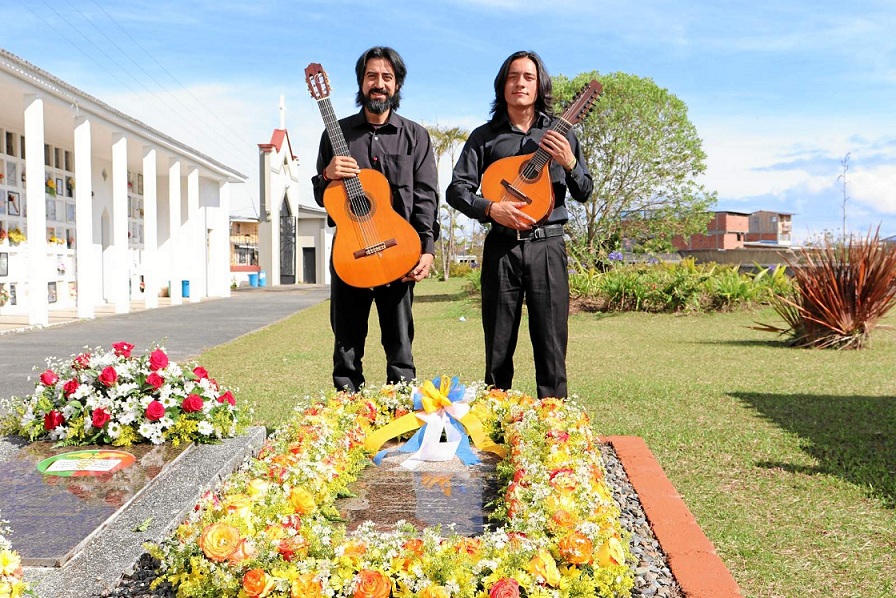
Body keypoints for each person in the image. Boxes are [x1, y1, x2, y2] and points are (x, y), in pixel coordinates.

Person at [446, 50, 593, 399]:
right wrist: (491, 208)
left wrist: (570, 162)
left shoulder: (561, 135)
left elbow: (585, 190)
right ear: (503, 84)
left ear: (540, 85)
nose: (520, 83)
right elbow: (456, 190)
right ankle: (497, 417)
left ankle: (554, 422)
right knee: (498, 345)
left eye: (528, 77)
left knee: (552, 344)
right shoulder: (485, 137)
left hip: (548, 246)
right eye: (513, 76)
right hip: (502, 247)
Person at [312, 46, 439, 393]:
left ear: (397, 85)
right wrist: (327, 174)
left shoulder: (416, 136)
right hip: (350, 256)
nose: (379, 84)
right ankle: (346, 413)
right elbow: (322, 195)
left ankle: (400, 413)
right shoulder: (336, 134)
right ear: (361, 82)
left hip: (398, 253)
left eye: (386, 77)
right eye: (371, 76)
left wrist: (427, 249)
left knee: (400, 347)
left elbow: (426, 197)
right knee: (346, 347)